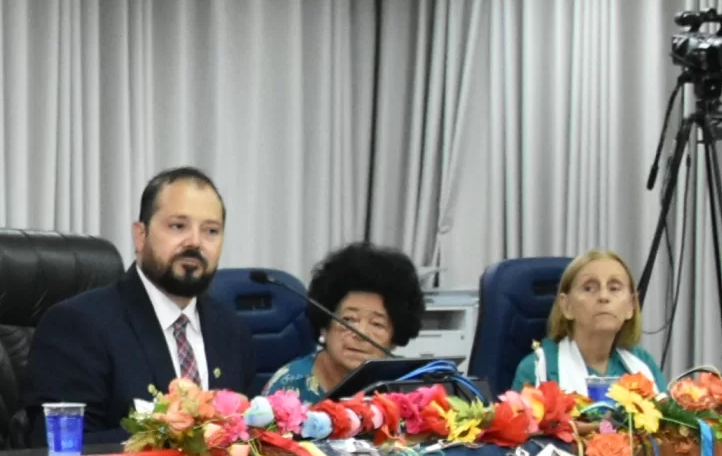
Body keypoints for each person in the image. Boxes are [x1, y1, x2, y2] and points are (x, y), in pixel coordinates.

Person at [24, 166, 260, 436]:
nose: (195, 242)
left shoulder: (232, 333)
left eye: (211, 231)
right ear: (140, 235)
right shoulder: (77, 326)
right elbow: (65, 446)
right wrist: (177, 435)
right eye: (178, 226)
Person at [261, 242, 424, 399]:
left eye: (377, 324)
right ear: (325, 326)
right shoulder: (287, 389)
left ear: (393, 338)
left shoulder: (407, 388)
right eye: (349, 319)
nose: (360, 333)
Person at [516, 248, 658, 390]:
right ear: (567, 306)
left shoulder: (643, 364)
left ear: (631, 306)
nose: (603, 296)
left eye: (614, 288)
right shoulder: (538, 370)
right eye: (589, 288)